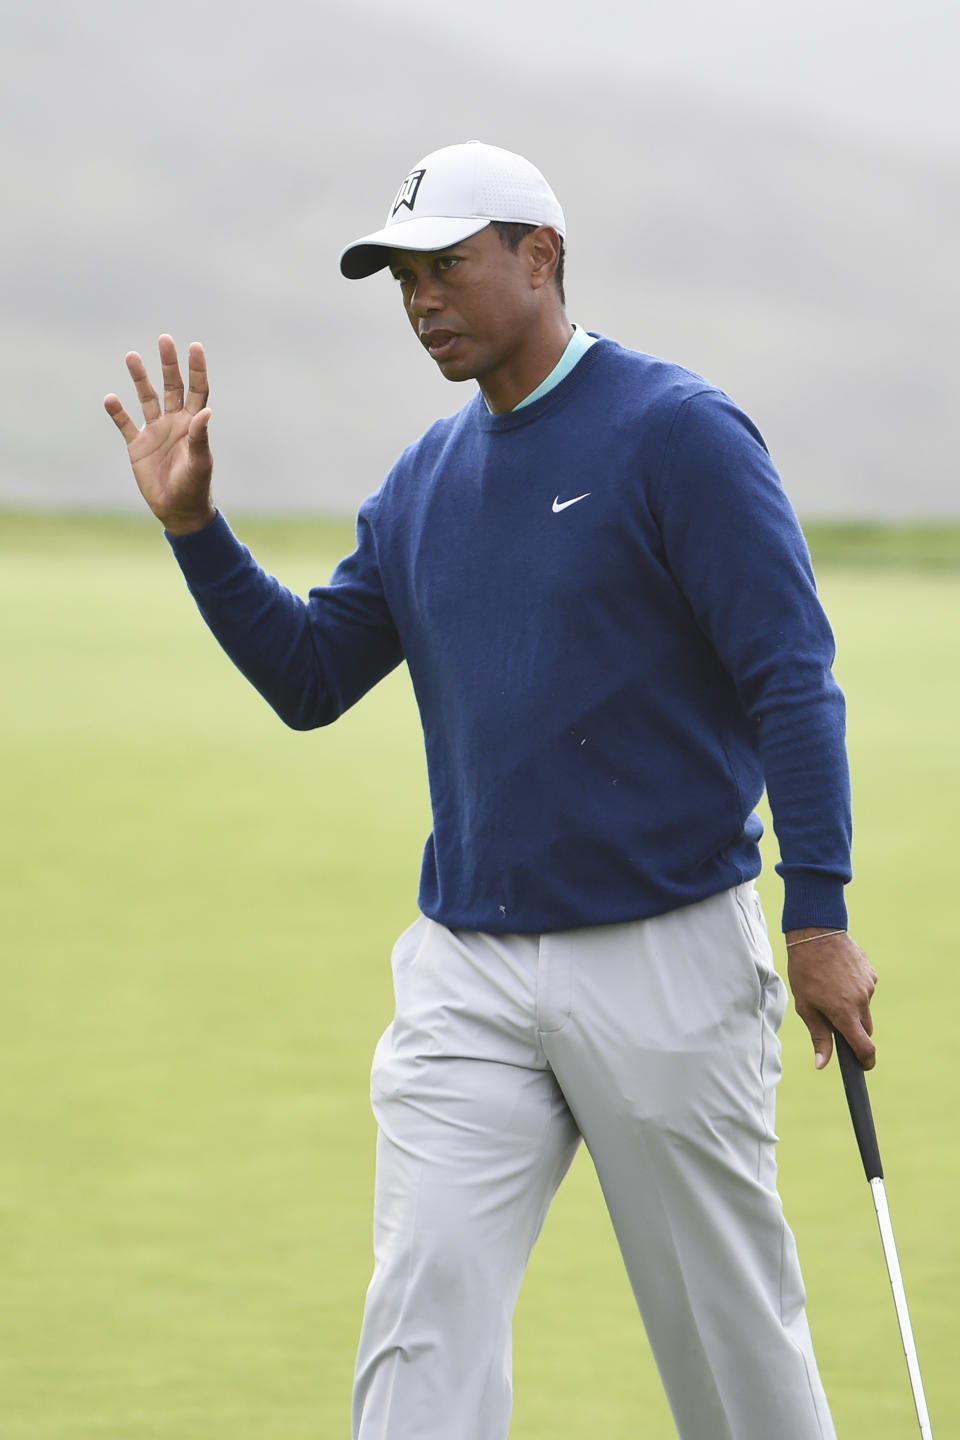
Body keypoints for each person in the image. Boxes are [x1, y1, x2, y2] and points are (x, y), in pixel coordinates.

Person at [105, 140, 878, 1440]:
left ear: (541, 255)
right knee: (421, 1320)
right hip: (468, 972)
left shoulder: (677, 433)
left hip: (666, 955)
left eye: (447, 265)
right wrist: (197, 533)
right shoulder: (423, 483)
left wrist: (820, 919)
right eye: (402, 277)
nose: (422, 300)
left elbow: (791, 677)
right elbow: (310, 674)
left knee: (730, 1347)